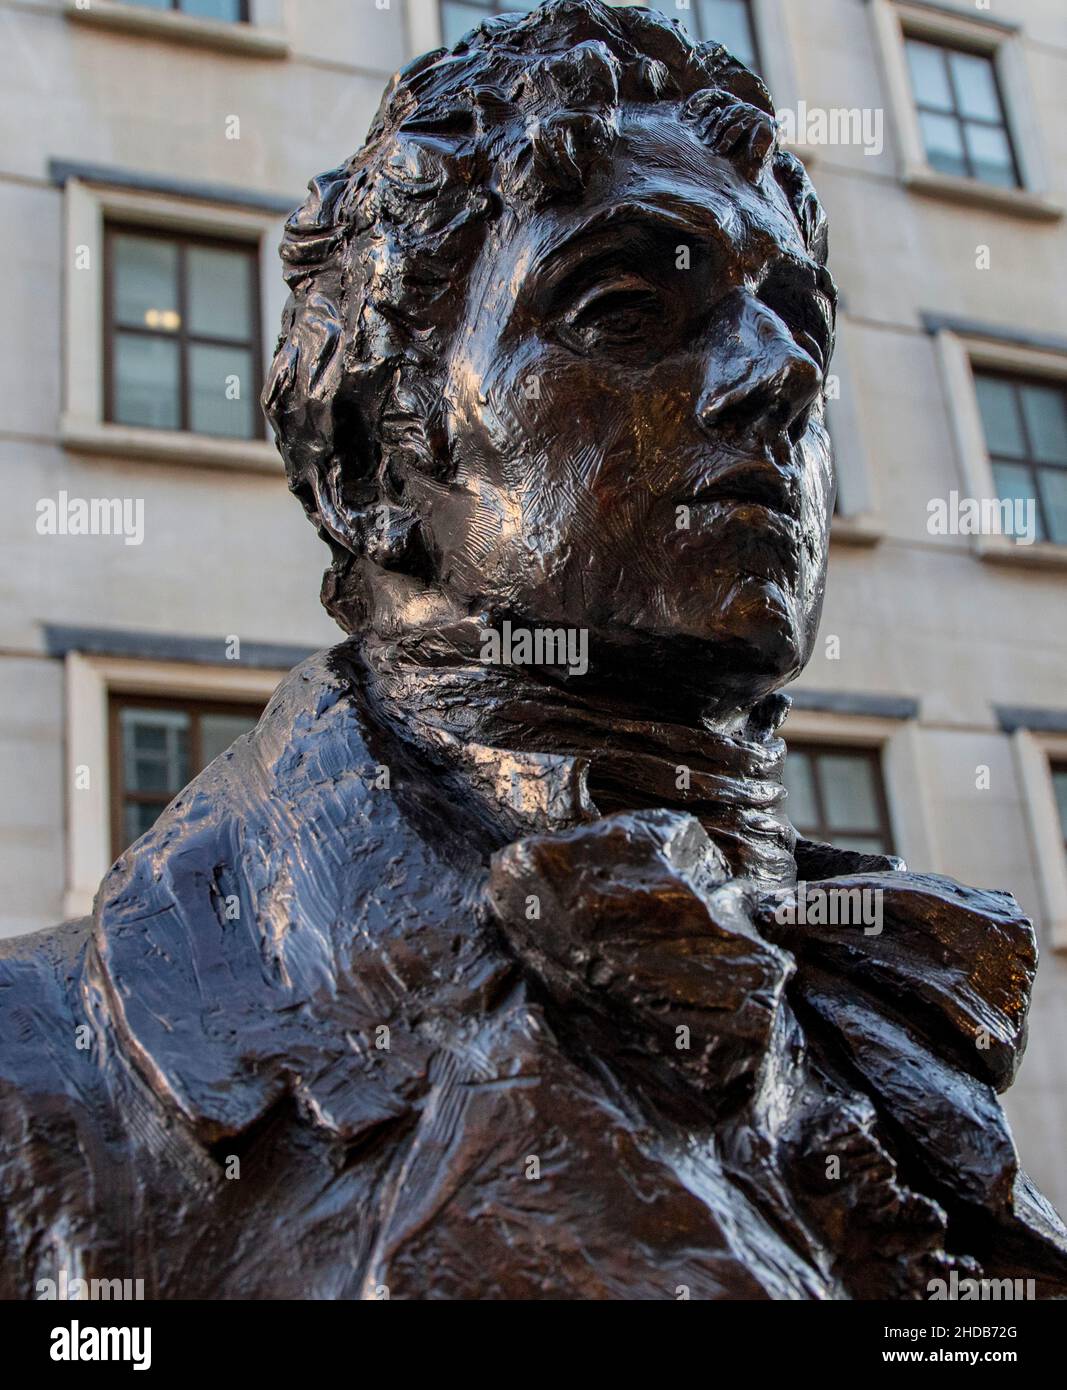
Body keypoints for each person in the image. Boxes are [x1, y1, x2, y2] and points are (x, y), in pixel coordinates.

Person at [3, 0, 1065, 1299]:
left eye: (797, 316)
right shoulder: (39, 1076)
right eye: (624, 307)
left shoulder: (888, 1024)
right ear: (366, 468)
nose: (779, 372)